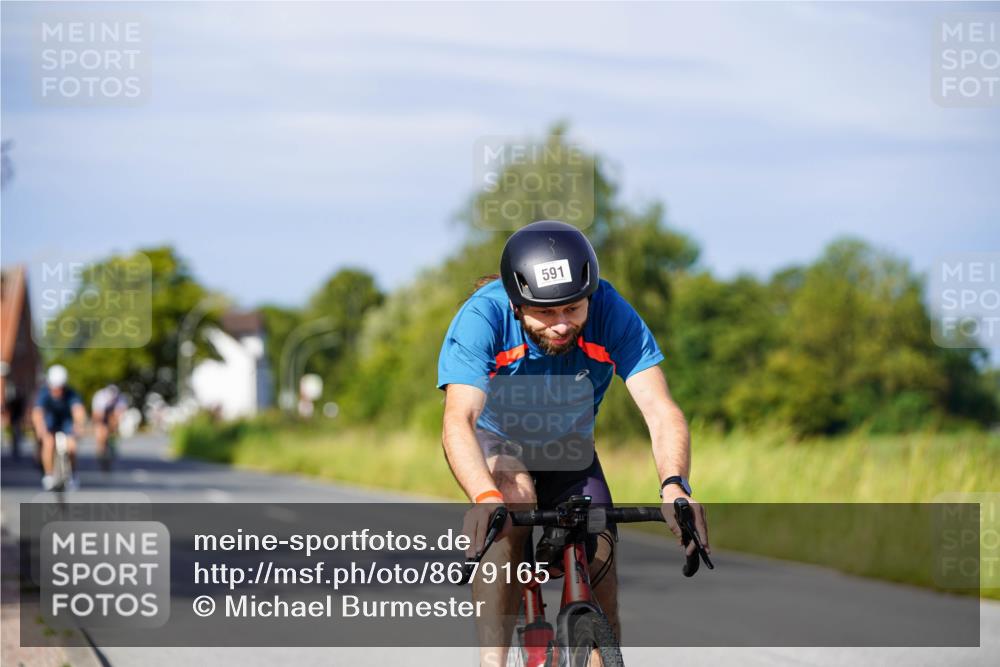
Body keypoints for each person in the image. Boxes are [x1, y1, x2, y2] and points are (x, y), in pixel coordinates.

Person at [437, 220, 710, 665]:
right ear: (516, 303)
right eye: (546, 313)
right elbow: (458, 419)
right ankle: (492, 660)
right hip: (498, 440)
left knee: (600, 542)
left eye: (573, 308)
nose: (563, 325)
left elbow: (661, 409)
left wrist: (675, 485)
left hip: (568, 446)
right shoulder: (481, 318)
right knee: (512, 503)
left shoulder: (612, 310)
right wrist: (484, 497)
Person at [32, 365, 86, 490]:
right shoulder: (44, 393)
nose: (58, 391)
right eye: (55, 388)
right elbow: (37, 413)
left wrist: (79, 425)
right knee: (48, 443)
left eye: (61, 388)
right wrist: (40, 429)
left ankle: (72, 474)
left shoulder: (71, 394)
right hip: (50, 421)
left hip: (66, 421)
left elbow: (78, 411)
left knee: (72, 447)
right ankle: (49, 475)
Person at [92, 383, 127, 471]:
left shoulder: (120, 398)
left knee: (114, 425)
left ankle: (112, 444)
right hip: (101, 415)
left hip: (112, 414)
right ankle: (101, 452)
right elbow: (97, 415)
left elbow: (120, 413)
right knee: (101, 432)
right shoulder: (99, 397)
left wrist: (114, 425)